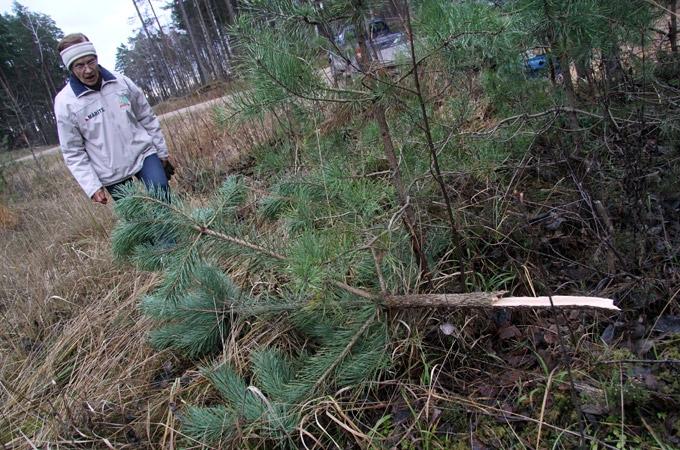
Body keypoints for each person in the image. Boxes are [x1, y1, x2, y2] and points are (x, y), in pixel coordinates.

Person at [54, 33, 173, 205]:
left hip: (143, 153)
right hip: (110, 170)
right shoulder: (66, 103)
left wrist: (161, 151)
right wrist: (92, 186)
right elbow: (73, 151)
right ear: (70, 68)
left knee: (162, 194)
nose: (87, 70)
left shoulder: (120, 82)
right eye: (79, 65)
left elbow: (146, 116)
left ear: (96, 58)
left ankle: (171, 233)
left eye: (90, 61)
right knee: (138, 218)